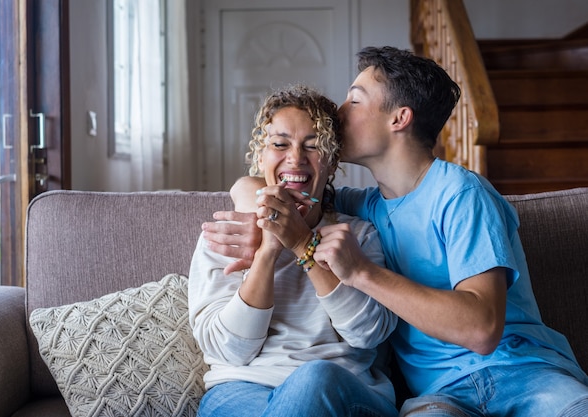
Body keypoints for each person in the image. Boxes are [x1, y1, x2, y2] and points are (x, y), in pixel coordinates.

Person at [201, 47, 588, 416]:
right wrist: (262, 216)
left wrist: (362, 272)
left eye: (354, 100)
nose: (337, 112)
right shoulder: (365, 205)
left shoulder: (461, 194)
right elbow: (285, 185)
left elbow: (482, 329)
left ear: (399, 119)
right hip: (439, 395)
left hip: (521, 371)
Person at [188, 84, 399, 417]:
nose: (295, 158)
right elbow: (229, 351)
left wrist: (304, 244)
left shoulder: (359, 234)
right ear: (260, 157)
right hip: (241, 391)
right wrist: (267, 251)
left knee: (314, 378)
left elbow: (367, 334)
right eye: (280, 144)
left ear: (331, 164)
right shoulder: (227, 235)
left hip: (341, 389)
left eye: (313, 146)